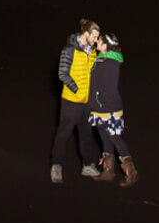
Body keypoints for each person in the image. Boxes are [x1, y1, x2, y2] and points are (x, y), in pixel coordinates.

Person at [50, 18, 102, 183]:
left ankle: (87, 164)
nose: (95, 40)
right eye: (94, 37)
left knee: (86, 134)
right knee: (63, 133)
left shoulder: (92, 51)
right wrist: (76, 89)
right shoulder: (69, 50)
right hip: (71, 101)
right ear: (85, 34)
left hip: (87, 102)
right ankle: (56, 165)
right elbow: (62, 73)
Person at [88, 32, 138, 186]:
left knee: (114, 137)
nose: (97, 42)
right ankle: (108, 170)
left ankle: (132, 172)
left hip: (107, 107)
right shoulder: (101, 59)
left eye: (100, 41)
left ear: (106, 45)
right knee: (104, 136)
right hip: (98, 107)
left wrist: (101, 104)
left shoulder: (110, 63)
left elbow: (109, 88)